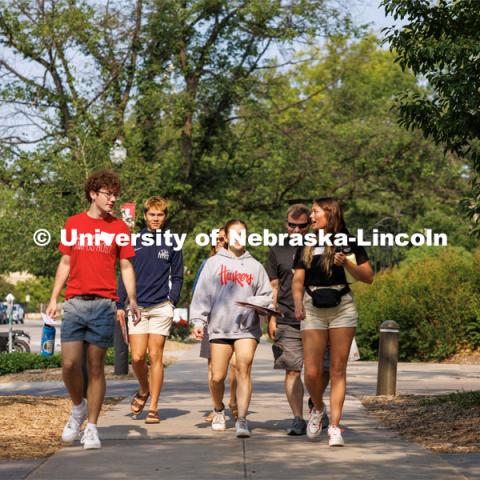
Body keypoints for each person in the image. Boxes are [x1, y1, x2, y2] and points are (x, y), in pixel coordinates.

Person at [46, 170, 141, 450]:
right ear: (93, 194)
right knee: (69, 364)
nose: (113, 199)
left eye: (115, 194)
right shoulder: (73, 223)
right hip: (74, 302)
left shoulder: (119, 228)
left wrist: (131, 300)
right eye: (107, 194)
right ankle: (78, 407)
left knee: (96, 367)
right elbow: (65, 262)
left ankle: (92, 427)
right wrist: (54, 298)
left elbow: (125, 266)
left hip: (103, 304)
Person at [292, 197, 374, 446]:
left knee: (338, 370)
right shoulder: (305, 242)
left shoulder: (349, 242)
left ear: (330, 214)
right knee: (312, 372)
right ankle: (318, 408)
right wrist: (297, 303)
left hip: (342, 307)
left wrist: (347, 263)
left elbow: (368, 277)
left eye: (316, 212)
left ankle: (335, 427)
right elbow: (298, 279)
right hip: (312, 307)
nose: (312, 216)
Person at [191, 219, 272, 438]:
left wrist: (258, 303)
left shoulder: (255, 266)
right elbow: (202, 295)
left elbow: (267, 296)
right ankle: (218, 409)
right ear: (225, 237)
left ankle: (242, 420)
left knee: (243, 367)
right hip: (219, 328)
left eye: (243, 234)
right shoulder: (213, 263)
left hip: (246, 329)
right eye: (234, 234)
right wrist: (198, 321)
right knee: (217, 377)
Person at [117, 196, 183, 424]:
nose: (156, 219)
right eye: (152, 215)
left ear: (165, 217)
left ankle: (153, 407)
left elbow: (178, 275)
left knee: (155, 356)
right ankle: (143, 390)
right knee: (136, 358)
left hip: (161, 306)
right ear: (144, 216)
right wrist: (120, 303)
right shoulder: (133, 240)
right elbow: (123, 272)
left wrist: (172, 301)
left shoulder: (172, 241)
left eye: (160, 215)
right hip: (136, 308)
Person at [266, 204, 330, 436]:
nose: (296, 230)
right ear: (286, 224)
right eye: (291, 226)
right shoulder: (277, 249)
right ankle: (297, 418)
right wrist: (271, 318)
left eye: (301, 226)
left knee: (323, 369)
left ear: (308, 225)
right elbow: (273, 285)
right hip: (286, 317)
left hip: (317, 315)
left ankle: (315, 404)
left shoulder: (320, 245)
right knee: (292, 370)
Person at [193, 227, 238, 422]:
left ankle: (234, 401)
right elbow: (198, 294)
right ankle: (216, 406)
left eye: (223, 239)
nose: (220, 242)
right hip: (212, 322)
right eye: (217, 239)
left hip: (236, 322)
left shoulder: (239, 262)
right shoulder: (207, 264)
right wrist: (198, 321)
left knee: (236, 366)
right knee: (214, 369)